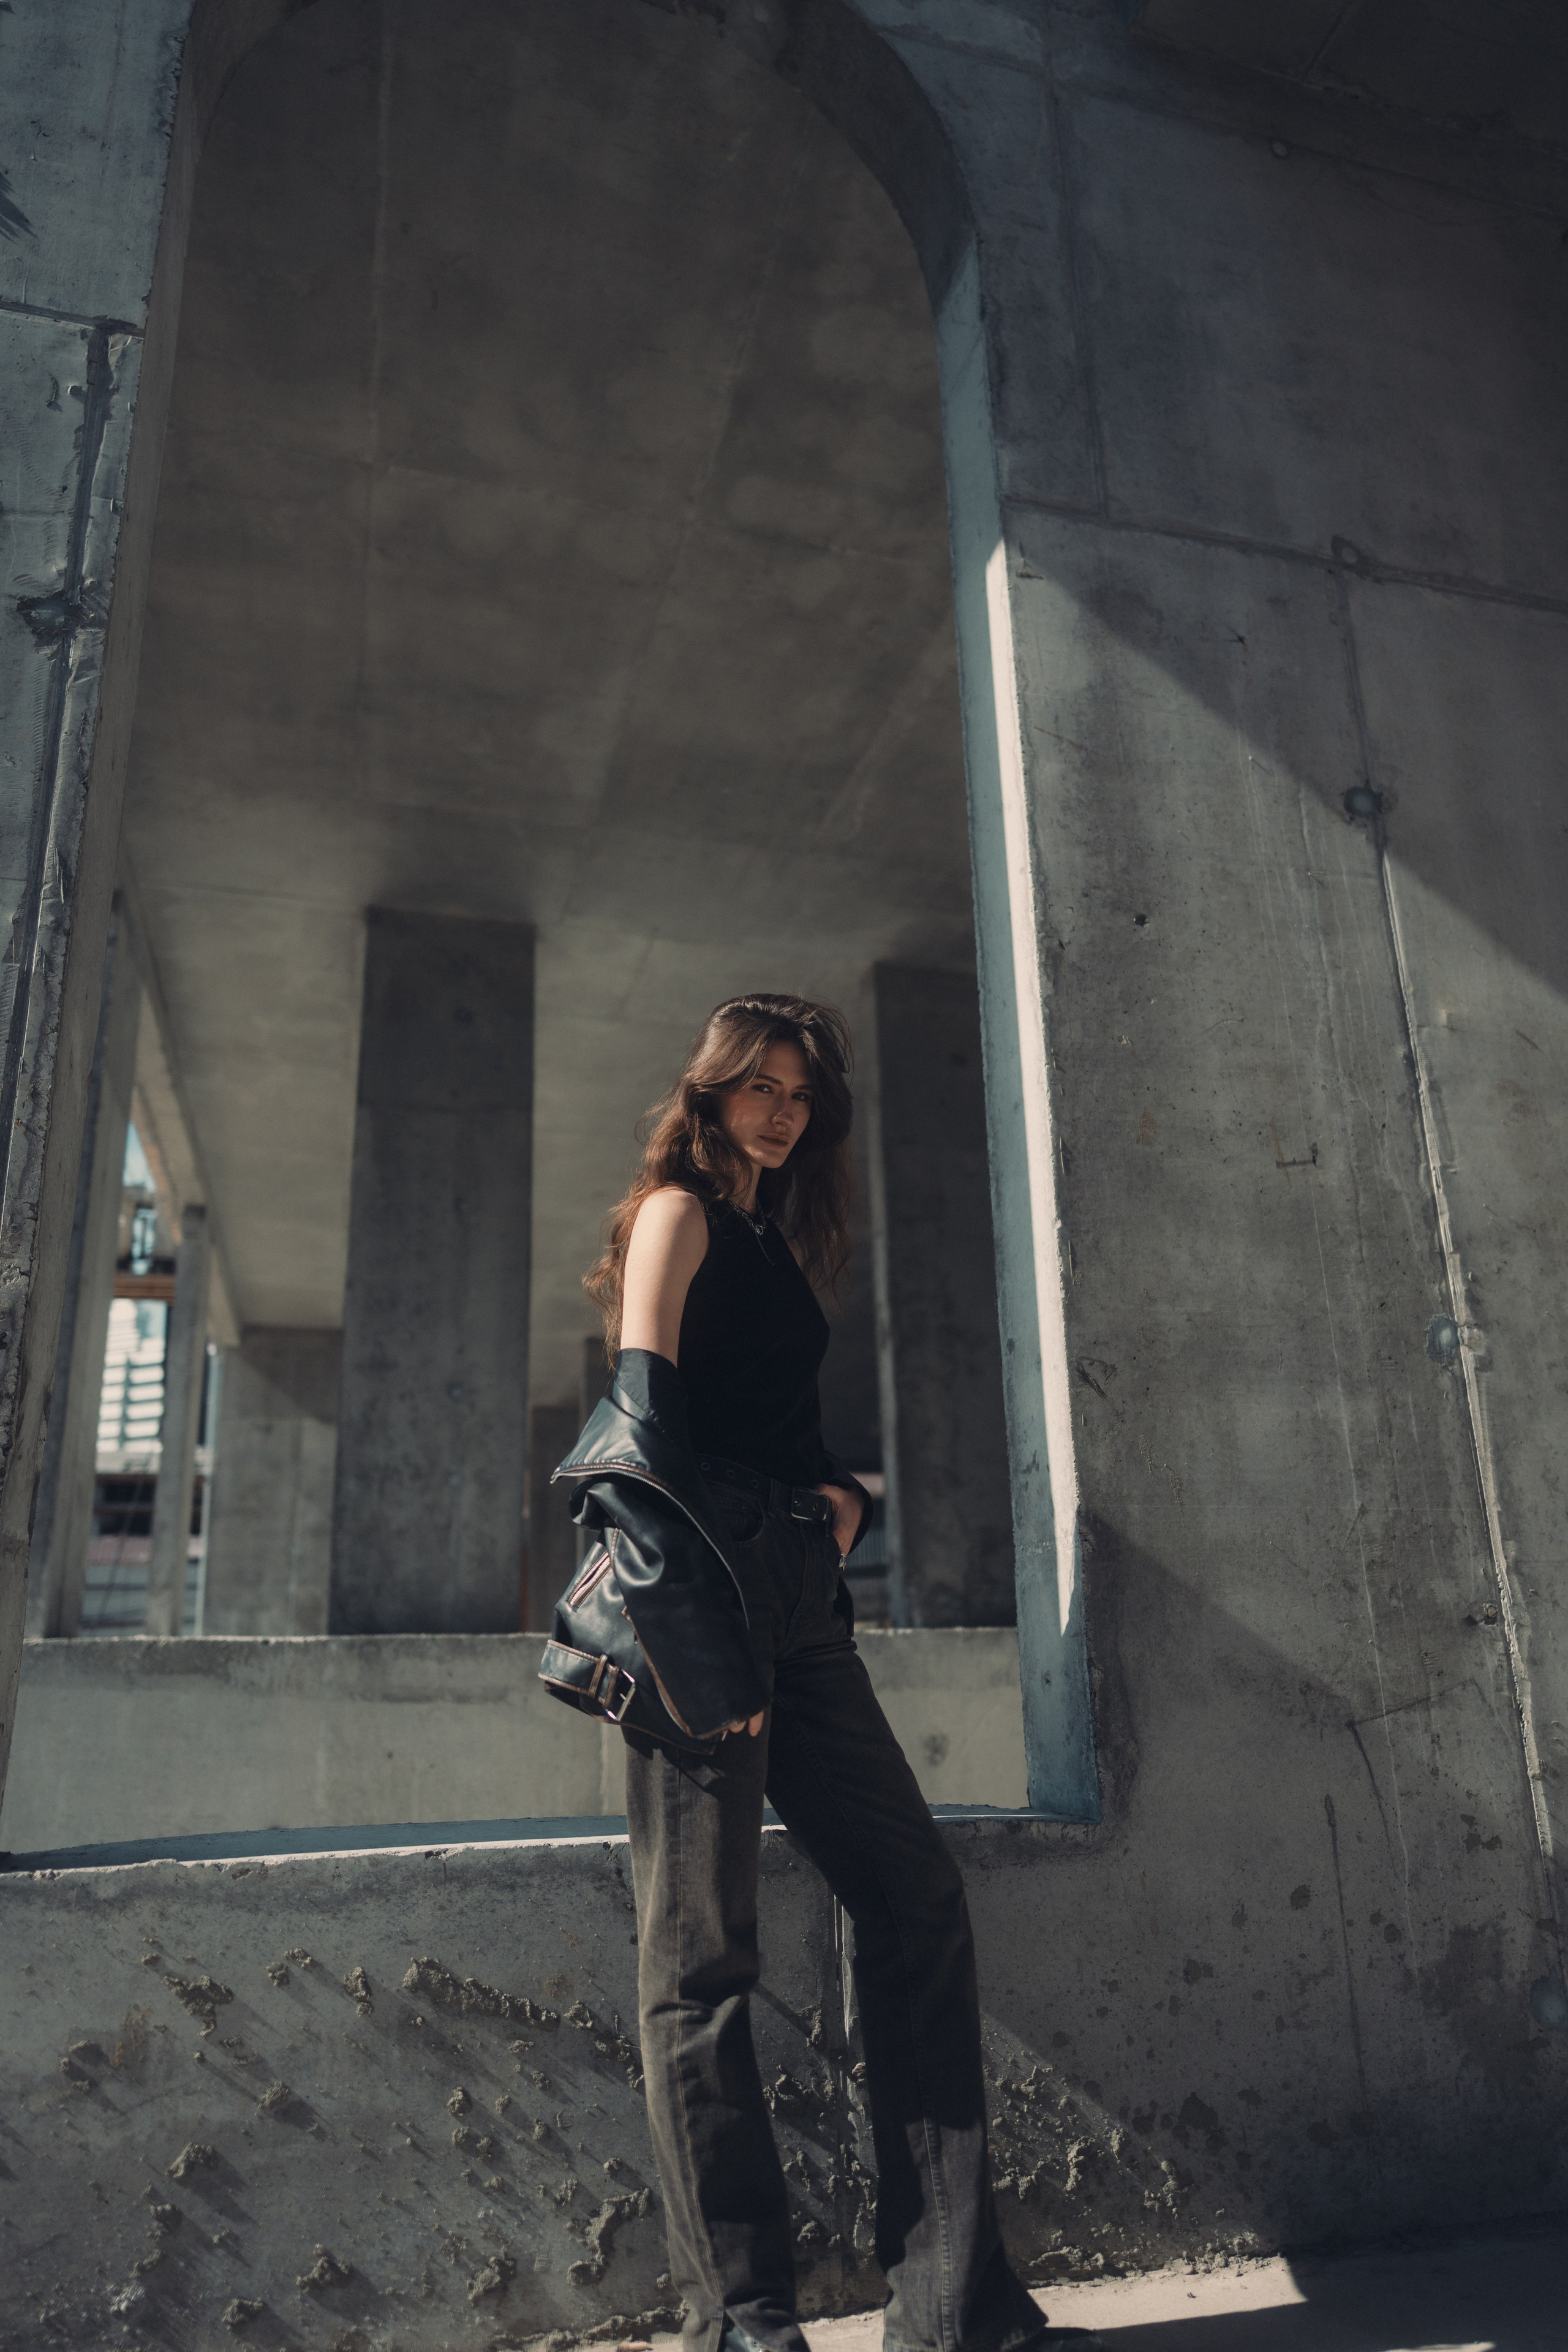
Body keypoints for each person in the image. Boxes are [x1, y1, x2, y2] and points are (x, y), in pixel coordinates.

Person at [552, 993, 1095, 2352]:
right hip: (705, 1602)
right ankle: (742, 2323)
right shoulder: (674, 1214)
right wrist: (695, 1642)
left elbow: (770, 1425)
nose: (782, 1111)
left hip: (801, 1602)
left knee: (915, 1898)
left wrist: (841, 1499)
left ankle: (953, 2307)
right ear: (710, 1091)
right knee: (701, 1962)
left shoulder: (770, 1241)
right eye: (760, 1086)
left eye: (801, 1093)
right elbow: (635, 1440)